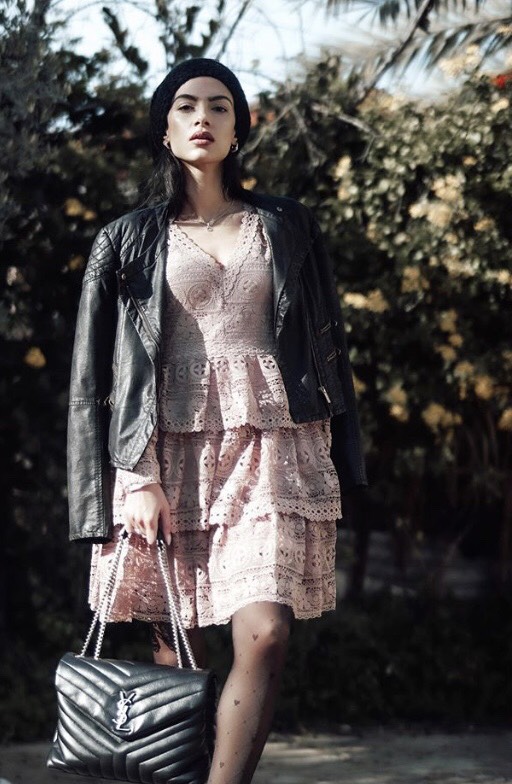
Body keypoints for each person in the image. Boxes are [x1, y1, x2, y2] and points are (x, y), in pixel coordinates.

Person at [67, 58, 367, 784]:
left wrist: (342, 444)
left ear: (239, 130)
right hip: (163, 455)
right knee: (182, 648)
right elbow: (97, 376)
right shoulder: (126, 239)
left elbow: (325, 342)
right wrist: (135, 476)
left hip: (271, 444)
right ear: (165, 130)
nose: (203, 116)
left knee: (265, 632)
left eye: (220, 106)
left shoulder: (287, 225)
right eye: (186, 106)